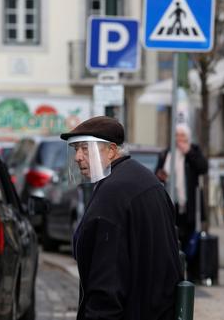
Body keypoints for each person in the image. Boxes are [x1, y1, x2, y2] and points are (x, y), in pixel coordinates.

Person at [60, 116, 183, 320]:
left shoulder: (113, 193)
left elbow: (107, 281)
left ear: (111, 150)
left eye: (85, 148)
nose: (78, 157)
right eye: (75, 150)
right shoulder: (141, 178)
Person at [155, 124, 208, 258]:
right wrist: (160, 175)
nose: (179, 139)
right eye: (176, 136)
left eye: (182, 136)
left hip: (188, 203)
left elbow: (203, 167)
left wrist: (188, 152)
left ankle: (188, 264)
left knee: (188, 234)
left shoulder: (193, 150)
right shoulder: (167, 153)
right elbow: (157, 172)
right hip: (171, 200)